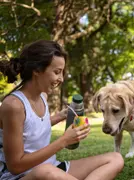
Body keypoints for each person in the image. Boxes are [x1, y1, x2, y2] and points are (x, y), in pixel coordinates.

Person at [0, 40, 124, 180]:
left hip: (52, 167)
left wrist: (61, 116)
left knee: (115, 158)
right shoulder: (13, 105)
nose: (61, 79)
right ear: (37, 70)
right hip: (23, 176)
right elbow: (15, 166)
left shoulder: (42, 96)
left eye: (62, 72)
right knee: (45, 171)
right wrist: (63, 141)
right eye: (57, 72)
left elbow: (32, 127)